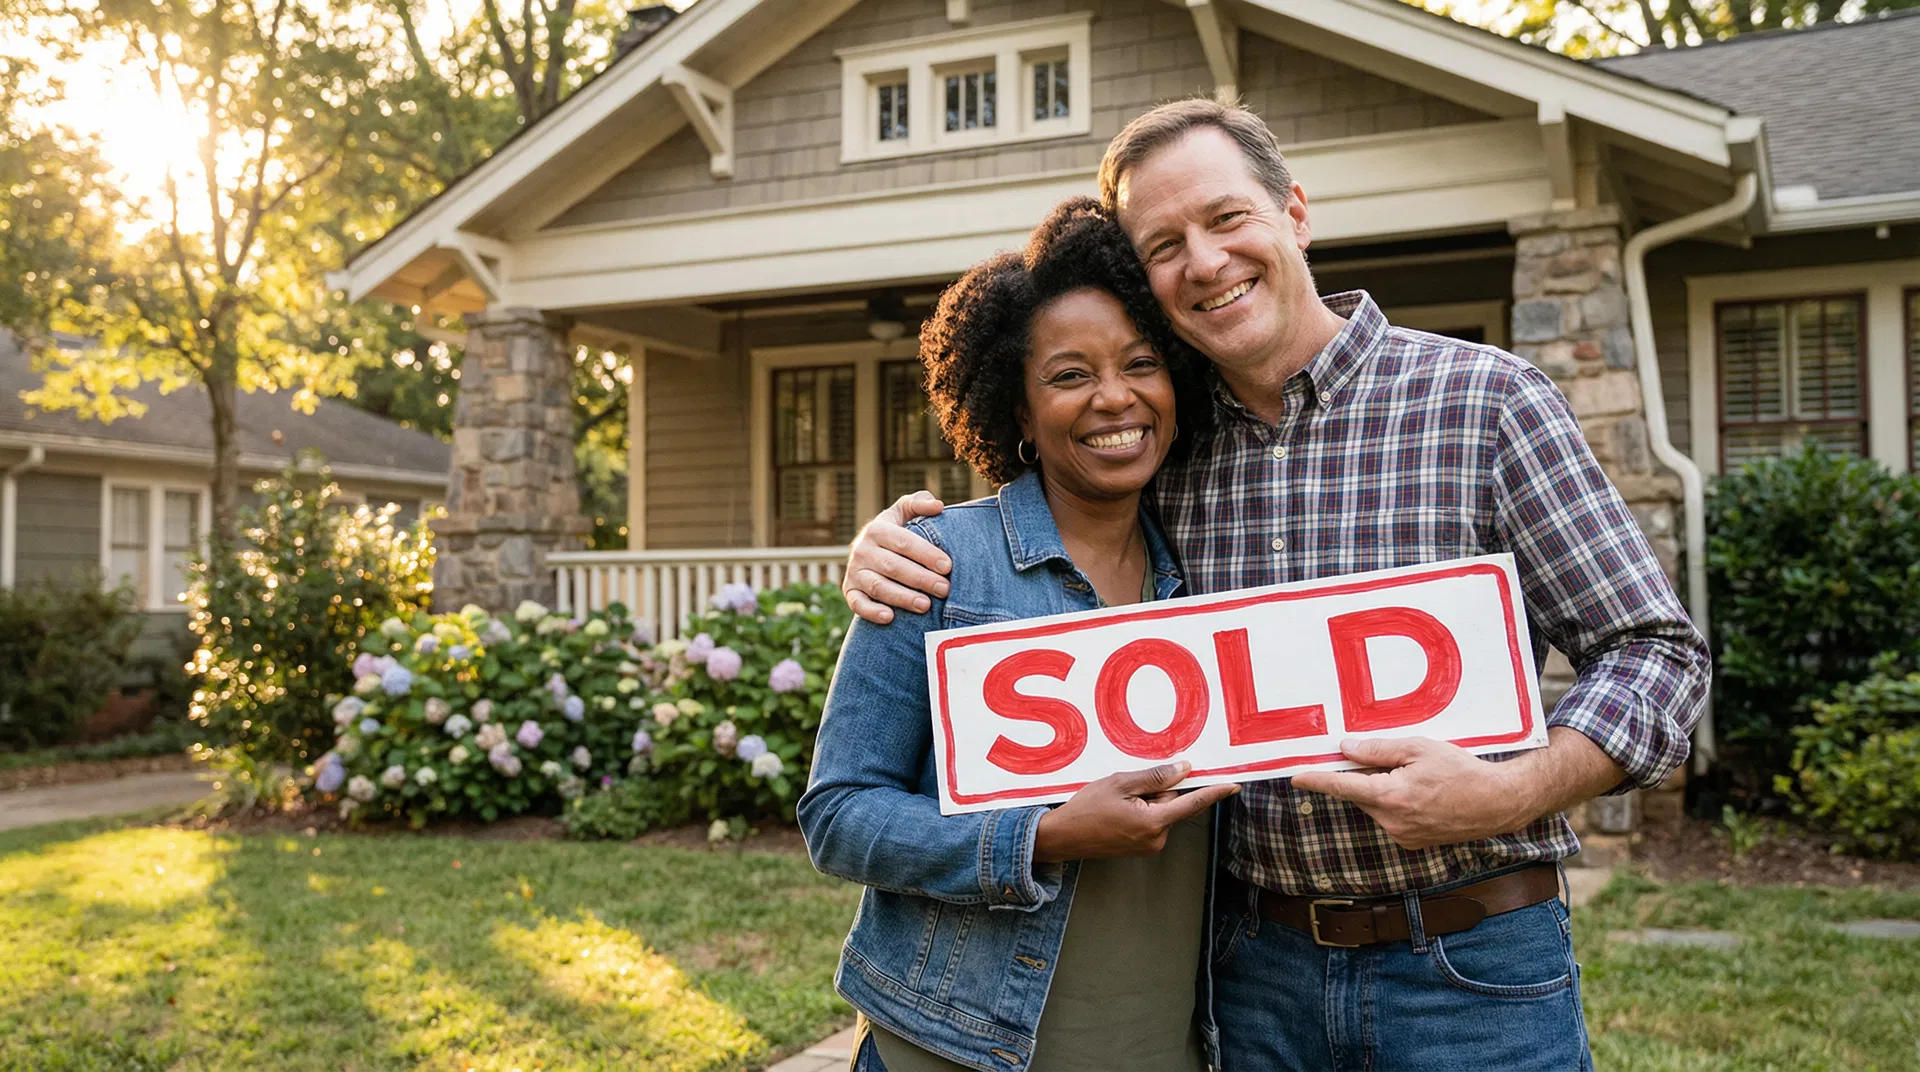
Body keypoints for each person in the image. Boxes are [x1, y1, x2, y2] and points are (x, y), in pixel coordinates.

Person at [839, 98, 1713, 1071]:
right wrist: (893, 543)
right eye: (1163, 244)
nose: (1204, 262)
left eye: (1226, 218)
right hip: (1250, 978)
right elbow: (1047, 509)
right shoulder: (1168, 449)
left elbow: (1658, 654)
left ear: (1294, 210)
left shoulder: (1487, 401)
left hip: (1470, 963)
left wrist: (1506, 793)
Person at [798, 198, 1240, 1072]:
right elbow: (839, 814)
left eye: (1142, 363)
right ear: (1018, 411)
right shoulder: (937, 565)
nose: (1115, 396)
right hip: (954, 1047)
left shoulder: (1213, 574)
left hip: (1170, 1047)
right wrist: (1038, 837)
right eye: (1069, 375)